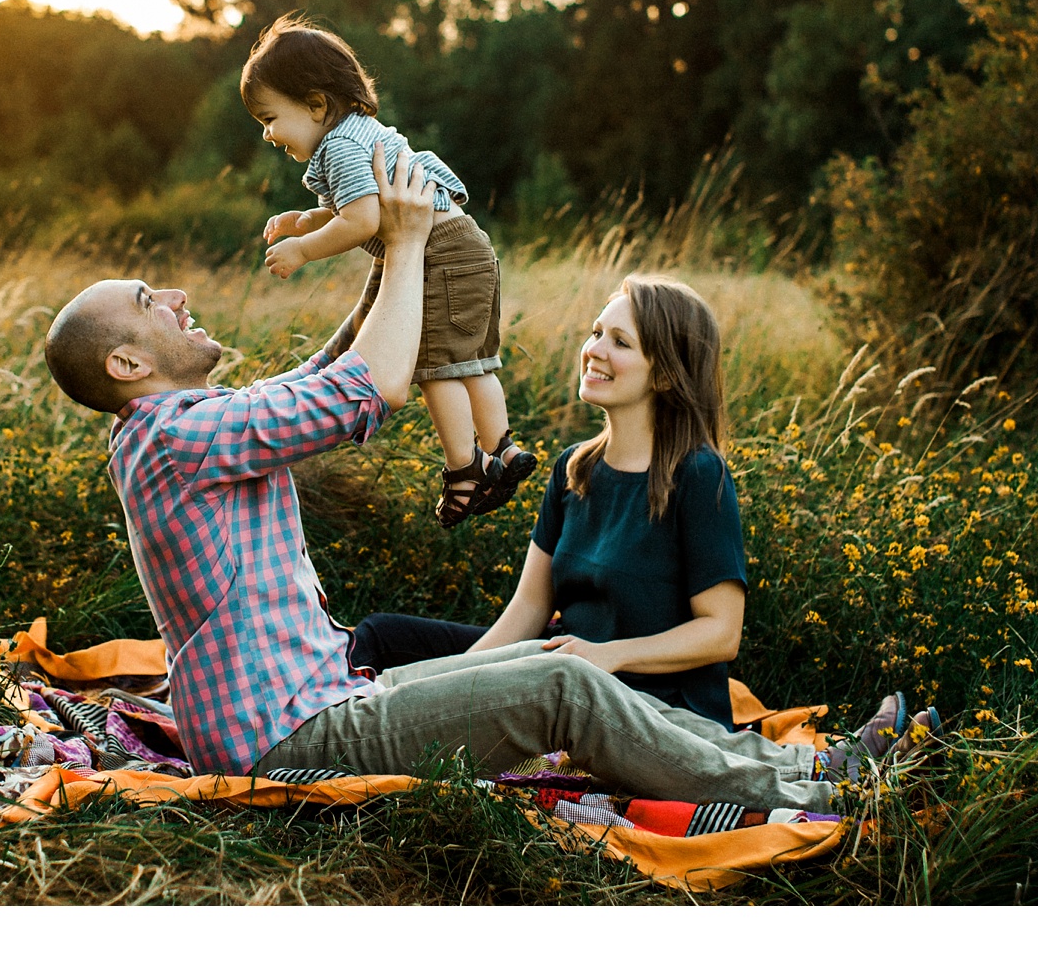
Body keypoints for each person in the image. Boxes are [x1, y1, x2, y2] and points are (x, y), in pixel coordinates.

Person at [43, 148, 904, 808]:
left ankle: (812, 760)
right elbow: (364, 390)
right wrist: (413, 243)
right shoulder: (179, 438)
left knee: (543, 656)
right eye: (153, 301)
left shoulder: (182, 429)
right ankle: (813, 794)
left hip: (319, 697)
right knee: (564, 682)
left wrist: (388, 263)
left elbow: (320, 372)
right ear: (126, 360)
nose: (180, 296)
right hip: (286, 738)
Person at [348, 274, 943, 784]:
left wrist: (608, 657)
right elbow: (526, 611)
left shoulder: (697, 476)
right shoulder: (573, 469)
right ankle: (361, 706)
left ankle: (830, 769)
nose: (594, 350)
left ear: (665, 375)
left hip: (655, 703)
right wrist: (452, 692)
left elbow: (720, 634)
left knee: (626, 720)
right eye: (595, 333)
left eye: (621, 342)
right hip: (567, 680)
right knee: (382, 641)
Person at [240, 13, 536, 528]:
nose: (267, 135)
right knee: (473, 363)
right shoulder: (357, 135)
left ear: (315, 104)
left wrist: (304, 249)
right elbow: (356, 203)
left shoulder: (340, 146)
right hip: (466, 245)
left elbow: (362, 219)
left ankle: (464, 469)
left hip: (438, 250)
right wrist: (303, 218)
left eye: (269, 118)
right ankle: (503, 451)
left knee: (433, 366)